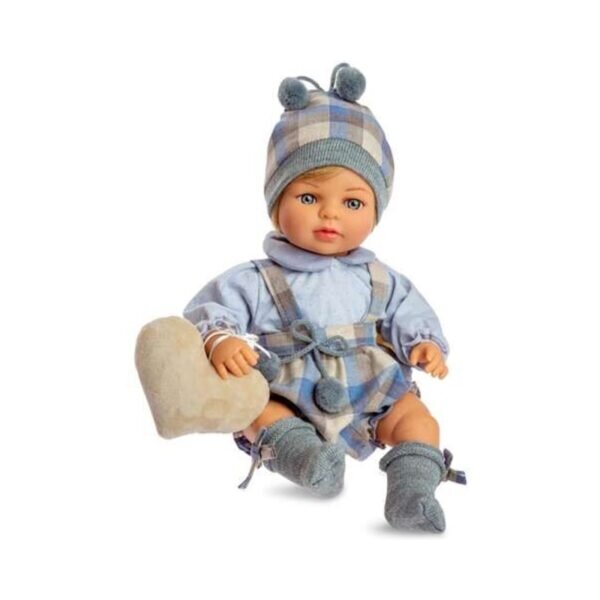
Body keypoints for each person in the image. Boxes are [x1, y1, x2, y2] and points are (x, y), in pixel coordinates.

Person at [183, 63, 465, 533]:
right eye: (310, 198)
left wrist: (423, 344)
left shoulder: (380, 278)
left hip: (370, 392)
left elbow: (409, 312)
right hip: (288, 391)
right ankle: (305, 459)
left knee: (418, 420)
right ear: (276, 202)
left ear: (375, 210)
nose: (330, 214)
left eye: (352, 202)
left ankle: (412, 491)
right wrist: (220, 340)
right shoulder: (258, 278)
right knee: (256, 410)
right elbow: (208, 312)